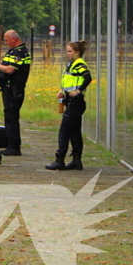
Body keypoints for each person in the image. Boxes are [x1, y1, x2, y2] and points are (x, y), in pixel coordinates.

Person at [46, 40, 91, 171]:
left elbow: (87, 78)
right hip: (71, 102)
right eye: (67, 51)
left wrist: (78, 91)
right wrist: (63, 91)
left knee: (64, 131)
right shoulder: (71, 64)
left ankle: (59, 160)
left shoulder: (79, 64)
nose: (68, 53)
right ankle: (77, 161)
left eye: (70, 51)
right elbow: (71, 81)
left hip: (76, 103)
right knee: (75, 132)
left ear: (77, 52)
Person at [0, 30, 31, 156]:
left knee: (11, 117)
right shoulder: (14, 51)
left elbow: (10, 69)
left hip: (14, 89)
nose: (6, 42)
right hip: (9, 88)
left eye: (6, 40)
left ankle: (14, 146)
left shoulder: (19, 52)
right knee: (9, 115)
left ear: (13, 39)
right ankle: (11, 144)